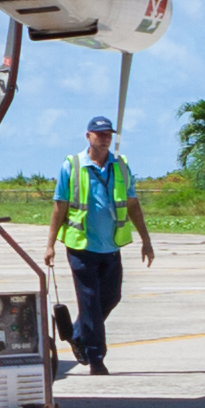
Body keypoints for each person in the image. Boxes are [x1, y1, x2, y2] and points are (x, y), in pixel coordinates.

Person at [47, 113, 156, 373]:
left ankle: (76, 334)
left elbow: (132, 204)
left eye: (109, 134)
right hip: (81, 247)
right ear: (89, 136)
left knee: (112, 297)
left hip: (110, 246)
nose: (105, 139)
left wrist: (146, 240)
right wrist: (50, 244)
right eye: (100, 134)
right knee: (90, 302)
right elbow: (59, 206)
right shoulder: (72, 166)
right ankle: (96, 358)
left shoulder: (120, 166)